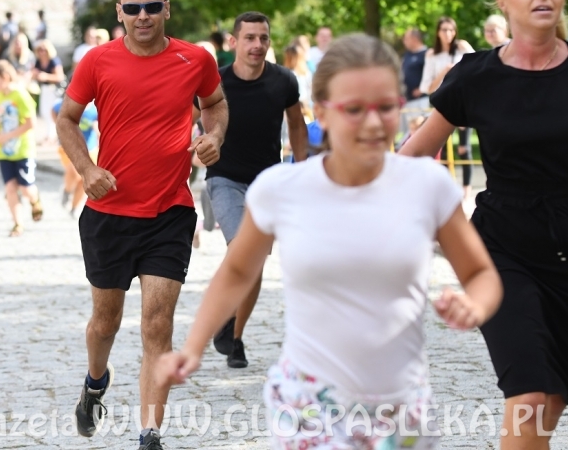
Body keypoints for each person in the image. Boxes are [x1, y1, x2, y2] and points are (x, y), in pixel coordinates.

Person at [158, 33, 502, 449]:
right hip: (308, 404)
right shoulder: (282, 189)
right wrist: (193, 347)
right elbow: (236, 271)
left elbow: (480, 273)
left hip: (400, 407)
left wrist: (475, 305)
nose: (373, 122)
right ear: (321, 111)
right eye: (354, 109)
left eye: (386, 107)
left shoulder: (427, 185)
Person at [401, 0, 568, 449]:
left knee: (551, 400)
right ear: (502, 0)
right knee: (530, 394)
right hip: (501, 252)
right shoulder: (476, 75)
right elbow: (412, 155)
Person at [57, 0, 227, 450]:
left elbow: (215, 104)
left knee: (157, 323)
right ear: (120, 12)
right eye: (132, 8)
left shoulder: (195, 59)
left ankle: (149, 434)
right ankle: (95, 382)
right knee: (105, 323)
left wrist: (213, 136)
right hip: (109, 213)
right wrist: (86, 168)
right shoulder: (98, 61)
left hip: (169, 212)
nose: (143, 16)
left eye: (152, 6)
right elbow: (66, 119)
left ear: (166, 8)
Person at [206, 12, 308, 370]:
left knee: (256, 263)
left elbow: (297, 124)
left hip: (268, 183)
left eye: (263, 38)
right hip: (225, 178)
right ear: (234, 42)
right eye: (249, 37)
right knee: (242, 247)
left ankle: (234, 335)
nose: (257, 44)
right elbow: (190, 119)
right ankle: (224, 315)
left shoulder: (283, 80)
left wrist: (300, 170)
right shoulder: (216, 81)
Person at [419, 16, 475, 198]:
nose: (448, 34)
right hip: (442, 106)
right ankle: (447, 191)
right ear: (438, 32)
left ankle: (467, 191)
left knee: (463, 148)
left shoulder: (462, 47)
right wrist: (445, 72)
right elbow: (426, 87)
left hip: (464, 104)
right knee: (441, 149)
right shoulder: (431, 54)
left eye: (451, 29)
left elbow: (478, 70)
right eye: (444, 30)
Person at [0, 60, 43, 236]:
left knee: (25, 188)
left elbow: (31, 123)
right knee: (10, 188)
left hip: (22, 149)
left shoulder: (20, 94)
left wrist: (8, 136)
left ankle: (34, 200)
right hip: (4, 151)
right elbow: (1, 118)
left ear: (5, 77)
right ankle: (18, 224)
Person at [51, 97, 98, 217]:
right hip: (69, 145)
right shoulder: (69, 103)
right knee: (76, 172)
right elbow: (54, 109)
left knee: (85, 180)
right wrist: (59, 126)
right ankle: (67, 191)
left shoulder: (95, 110)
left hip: (90, 147)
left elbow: (99, 127)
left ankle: (74, 207)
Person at [31, 39, 65, 143]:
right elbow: (34, 73)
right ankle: (50, 134)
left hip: (54, 89)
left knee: (52, 111)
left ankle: (52, 135)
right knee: (44, 111)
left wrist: (46, 76)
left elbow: (60, 76)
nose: (42, 52)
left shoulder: (54, 61)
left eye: (44, 50)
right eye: (40, 50)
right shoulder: (38, 61)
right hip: (44, 89)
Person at [400, 27, 429, 137]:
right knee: (407, 133)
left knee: (418, 131)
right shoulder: (407, 54)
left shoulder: (426, 54)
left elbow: (431, 75)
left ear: (415, 39)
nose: (404, 42)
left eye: (406, 39)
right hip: (407, 99)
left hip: (420, 100)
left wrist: (422, 89)